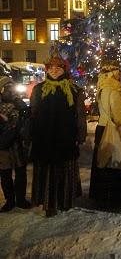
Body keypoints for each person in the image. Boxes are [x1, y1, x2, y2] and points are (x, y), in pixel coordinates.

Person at [30, 56, 86, 217]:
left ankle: (64, 200)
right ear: (47, 69)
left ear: (64, 69)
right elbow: (33, 113)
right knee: (47, 171)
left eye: (59, 67)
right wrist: (32, 134)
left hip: (65, 138)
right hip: (44, 138)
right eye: (51, 67)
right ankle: (49, 204)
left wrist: (80, 134)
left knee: (64, 170)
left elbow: (80, 115)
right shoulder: (39, 89)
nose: (54, 69)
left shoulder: (75, 90)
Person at [89, 60, 121, 206]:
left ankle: (101, 194)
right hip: (112, 129)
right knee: (114, 161)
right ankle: (114, 196)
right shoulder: (113, 90)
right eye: (118, 72)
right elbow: (118, 115)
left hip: (102, 128)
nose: (120, 75)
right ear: (113, 73)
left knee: (103, 162)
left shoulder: (103, 88)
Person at [0, 77, 31, 212]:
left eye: (11, 87)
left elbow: (26, 120)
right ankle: (10, 200)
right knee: (5, 174)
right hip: (3, 145)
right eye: (7, 87)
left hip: (18, 144)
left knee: (20, 173)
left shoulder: (19, 103)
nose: (10, 90)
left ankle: (21, 199)